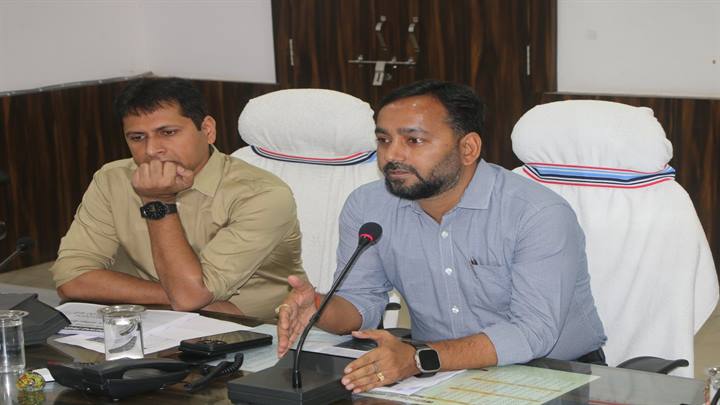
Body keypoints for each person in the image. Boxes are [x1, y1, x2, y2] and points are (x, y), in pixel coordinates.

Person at [276, 80, 606, 393]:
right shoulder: (368, 206)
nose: (392, 156)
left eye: (414, 141)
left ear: (468, 148)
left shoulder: (536, 213)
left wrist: (419, 358)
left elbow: (532, 332)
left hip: (553, 373)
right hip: (435, 373)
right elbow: (360, 302)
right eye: (384, 140)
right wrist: (319, 307)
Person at [50, 77, 304, 318]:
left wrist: (157, 201)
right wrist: (174, 297)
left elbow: (189, 297)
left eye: (168, 132)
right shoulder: (112, 179)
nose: (152, 150)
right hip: (154, 320)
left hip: (258, 331)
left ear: (207, 130)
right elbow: (71, 278)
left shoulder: (262, 195)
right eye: (137, 138)